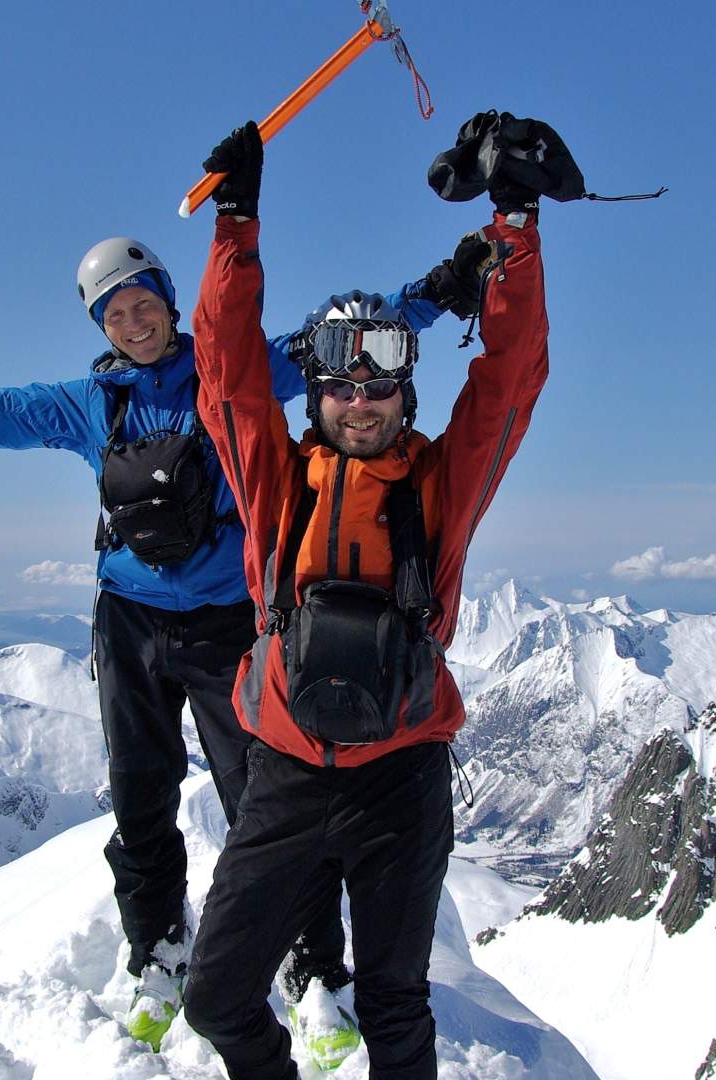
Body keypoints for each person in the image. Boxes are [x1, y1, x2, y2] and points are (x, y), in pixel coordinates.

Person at [0, 231, 473, 1052]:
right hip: (129, 621)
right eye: (114, 314)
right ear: (101, 326)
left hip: (231, 621)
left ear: (168, 302)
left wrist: (438, 290)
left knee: (262, 799)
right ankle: (159, 950)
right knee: (140, 796)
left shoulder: (230, 370)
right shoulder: (91, 402)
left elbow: (347, 340)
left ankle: (313, 968)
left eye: (143, 303)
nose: (133, 322)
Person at [181, 119, 550, 1079]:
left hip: (401, 780)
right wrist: (235, 224)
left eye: (379, 386)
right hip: (287, 774)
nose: (360, 402)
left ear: (404, 393)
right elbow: (224, 370)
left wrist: (515, 226)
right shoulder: (276, 481)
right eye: (340, 387)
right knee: (217, 998)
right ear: (315, 397)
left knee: (394, 1008)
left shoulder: (438, 487)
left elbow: (509, 381)